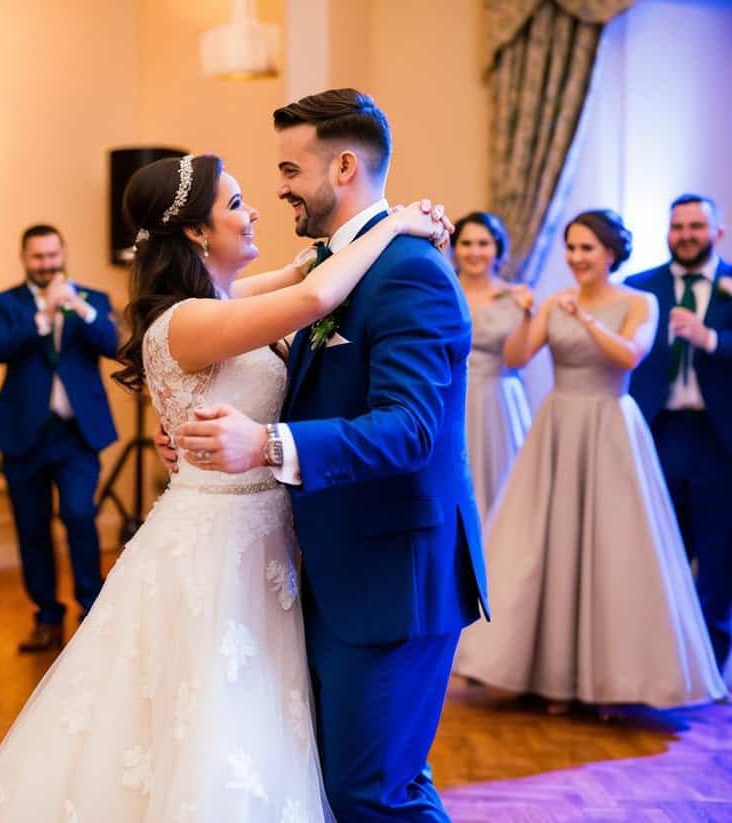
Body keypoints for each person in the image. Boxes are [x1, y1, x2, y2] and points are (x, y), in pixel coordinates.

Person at [0, 150, 451, 820]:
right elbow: (312, 296)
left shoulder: (218, 302)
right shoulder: (187, 319)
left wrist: (381, 226)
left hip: (261, 534)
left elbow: (305, 269)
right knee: (217, 715)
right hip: (222, 543)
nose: (253, 215)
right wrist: (391, 224)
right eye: (236, 204)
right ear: (195, 231)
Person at [169, 89, 486, 821]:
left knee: (372, 793)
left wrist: (267, 442)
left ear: (343, 166)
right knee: (360, 778)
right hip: (332, 568)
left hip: (392, 576)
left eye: (288, 168)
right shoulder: (335, 269)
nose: (277, 186)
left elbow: (410, 428)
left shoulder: (408, 271)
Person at [453, 209, 727, 712]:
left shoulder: (639, 300)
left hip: (610, 426)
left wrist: (583, 319)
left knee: (613, 552)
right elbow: (515, 359)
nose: (577, 258)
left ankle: (609, 684)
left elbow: (629, 356)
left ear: (610, 253)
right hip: (558, 427)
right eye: (572, 248)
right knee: (549, 548)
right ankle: (554, 679)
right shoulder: (557, 301)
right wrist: (533, 314)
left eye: (587, 249)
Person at [0, 225, 119, 653]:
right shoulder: (5, 303)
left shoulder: (92, 299)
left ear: (64, 253)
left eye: (53, 255)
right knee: (32, 528)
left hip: (77, 433)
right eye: (38, 257)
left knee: (79, 514)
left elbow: (113, 344)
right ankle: (46, 615)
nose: (47, 264)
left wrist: (78, 307)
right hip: (24, 435)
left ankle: (91, 608)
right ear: (24, 258)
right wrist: (41, 317)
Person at [626, 194, 732, 674]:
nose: (685, 235)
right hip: (658, 430)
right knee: (657, 545)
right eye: (677, 227)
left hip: (718, 437)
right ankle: (662, 665)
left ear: (717, 233)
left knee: (718, 554)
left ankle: (709, 666)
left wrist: (710, 339)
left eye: (695, 226)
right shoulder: (639, 287)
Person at [451, 212, 534, 522]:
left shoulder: (516, 298)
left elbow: (517, 359)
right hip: (452, 395)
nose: (475, 251)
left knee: (504, 482)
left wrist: (528, 316)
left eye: (483, 243)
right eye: (467, 243)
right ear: (455, 248)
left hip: (500, 399)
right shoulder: (443, 291)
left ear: (497, 249)